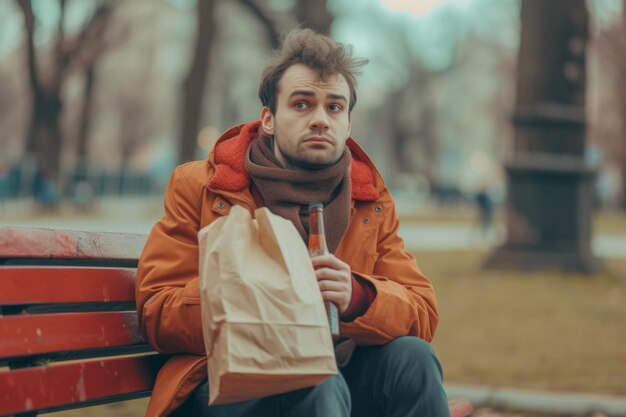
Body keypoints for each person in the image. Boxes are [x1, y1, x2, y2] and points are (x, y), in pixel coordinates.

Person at [136, 28, 449, 417]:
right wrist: (254, 295)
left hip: (336, 378)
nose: (320, 119)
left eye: (334, 107)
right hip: (226, 386)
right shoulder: (202, 186)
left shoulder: (370, 199)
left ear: (348, 124)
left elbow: (422, 312)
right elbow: (156, 311)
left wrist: (358, 297)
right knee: (313, 376)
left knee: (412, 359)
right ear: (268, 118)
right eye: (302, 105)